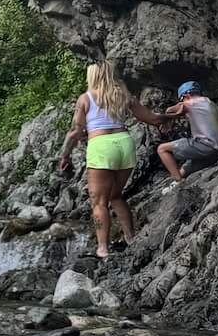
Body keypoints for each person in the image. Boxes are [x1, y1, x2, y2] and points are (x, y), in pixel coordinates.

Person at [59, 60, 166, 260]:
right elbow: (151, 118)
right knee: (116, 195)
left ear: (92, 77)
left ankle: (102, 248)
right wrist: (173, 116)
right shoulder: (124, 95)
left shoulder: (86, 98)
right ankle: (130, 238)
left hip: (101, 146)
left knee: (98, 202)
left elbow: (75, 132)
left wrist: (65, 156)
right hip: (125, 144)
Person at [157, 81, 218, 183]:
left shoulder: (190, 103)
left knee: (162, 149)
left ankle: (179, 182)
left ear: (187, 95)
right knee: (183, 170)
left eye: (181, 99)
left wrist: (167, 121)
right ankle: (177, 180)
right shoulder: (213, 105)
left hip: (205, 147)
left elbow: (170, 109)